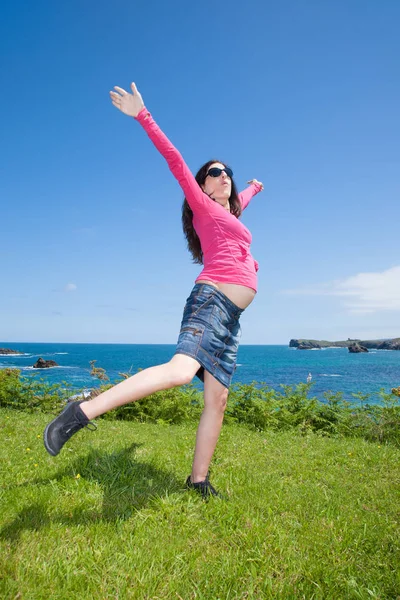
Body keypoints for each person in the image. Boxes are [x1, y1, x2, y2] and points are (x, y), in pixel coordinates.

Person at [43, 82, 264, 498]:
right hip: (212, 302)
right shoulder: (201, 204)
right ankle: (80, 413)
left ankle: (198, 481)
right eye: (216, 173)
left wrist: (252, 188)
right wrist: (143, 115)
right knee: (180, 372)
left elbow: (239, 206)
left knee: (217, 400)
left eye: (227, 173)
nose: (224, 177)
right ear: (203, 183)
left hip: (231, 318)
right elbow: (175, 160)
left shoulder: (228, 212)